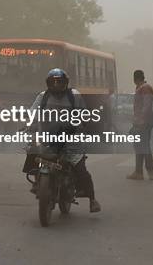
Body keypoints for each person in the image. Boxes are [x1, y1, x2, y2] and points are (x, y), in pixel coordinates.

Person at [27, 68, 101, 213]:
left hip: (71, 139)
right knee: (32, 152)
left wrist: (83, 123)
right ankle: (37, 181)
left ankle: (92, 199)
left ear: (65, 83)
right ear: (48, 83)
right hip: (48, 137)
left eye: (59, 82)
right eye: (53, 82)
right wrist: (27, 124)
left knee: (80, 168)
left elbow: (84, 115)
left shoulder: (75, 96)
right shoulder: (43, 96)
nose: (56, 85)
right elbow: (32, 113)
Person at [127, 70, 153, 180]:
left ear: (135, 79)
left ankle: (149, 171)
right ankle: (138, 172)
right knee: (139, 146)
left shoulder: (145, 88)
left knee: (143, 146)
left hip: (143, 123)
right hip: (141, 122)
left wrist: (140, 122)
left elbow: (146, 106)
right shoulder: (141, 88)